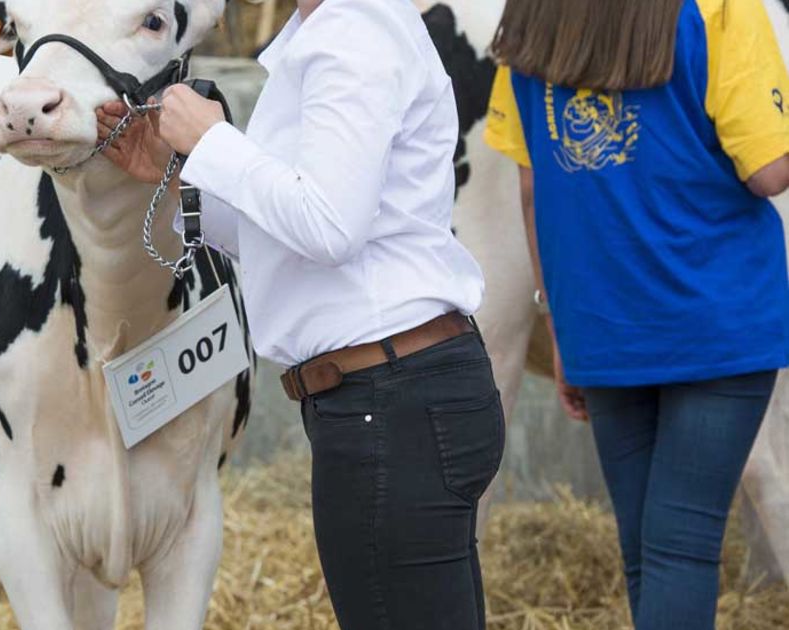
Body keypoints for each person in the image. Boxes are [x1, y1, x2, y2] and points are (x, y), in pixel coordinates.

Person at [98, 0, 503, 627]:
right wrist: (177, 173)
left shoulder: (352, 31)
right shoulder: (333, 31)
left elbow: (328, 227)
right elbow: (292, 232)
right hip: (392, 390)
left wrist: (212, 141)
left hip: (390, 396)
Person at [485, 0, 789, 627]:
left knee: (645, 553)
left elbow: (531, 182)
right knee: (682, 549)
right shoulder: (721, 9)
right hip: (715, 320)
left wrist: (559, 324)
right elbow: (768, 171)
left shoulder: (532, 15)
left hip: (602, 326)